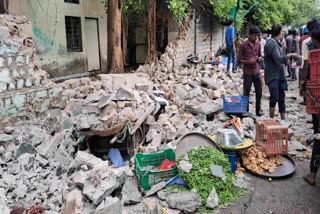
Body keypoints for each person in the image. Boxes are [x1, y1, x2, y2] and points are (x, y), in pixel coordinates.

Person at [264, 24, 298, 120]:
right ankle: (271, 120)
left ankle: (283, 120)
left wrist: (286, 58)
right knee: (274, 97)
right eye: (282, 32)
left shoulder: (276, 42)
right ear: (279, 32)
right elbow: (278, 59)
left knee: (281, 97)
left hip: (279, 75)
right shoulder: (272, 44)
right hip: (273, 75)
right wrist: (290, 55)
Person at [301, 23, 320, 186]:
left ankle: (312, 176)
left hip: (318, 101)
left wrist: (303, 84)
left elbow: (306, 68)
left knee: (319, 138)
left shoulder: (314, 56)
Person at [237, 26, 264, 116]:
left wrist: (259, 58)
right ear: (250, 35)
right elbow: (239, 60)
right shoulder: (243, 45)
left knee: (259, 90)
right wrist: (249, 62)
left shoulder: (258, 44)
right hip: (247, 72)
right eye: (255, 36)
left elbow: (260, 55)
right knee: (246, 92)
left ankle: (258, 109)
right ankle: (245, 110)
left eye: (257, 36)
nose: (256, 38)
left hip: (256, 71)